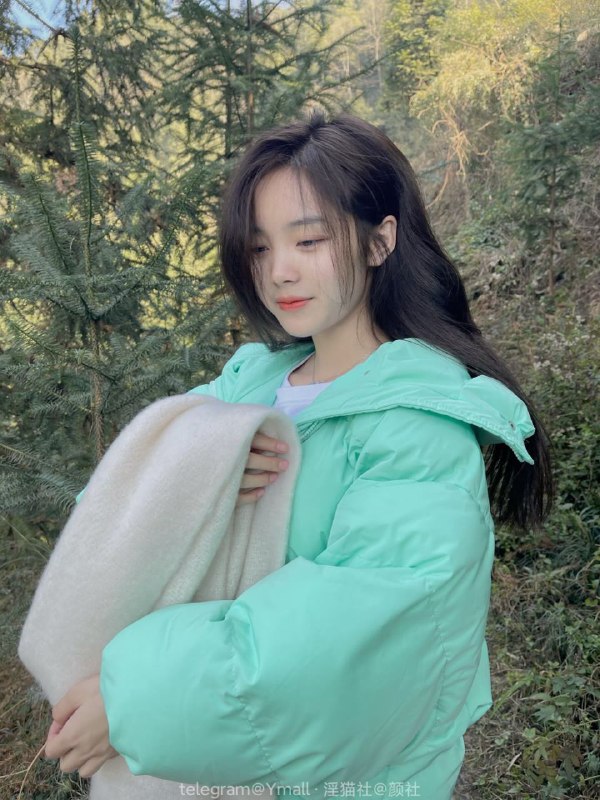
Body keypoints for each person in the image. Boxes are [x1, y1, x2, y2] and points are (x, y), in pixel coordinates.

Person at [44, 110, 554, 798]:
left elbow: (347, 644)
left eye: (308, 240)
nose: (280, 271)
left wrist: (131, 703)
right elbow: (110, 507)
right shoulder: (247, 385)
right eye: (260, 249)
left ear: (380, 242)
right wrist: (200, 474)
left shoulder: (416, 427)